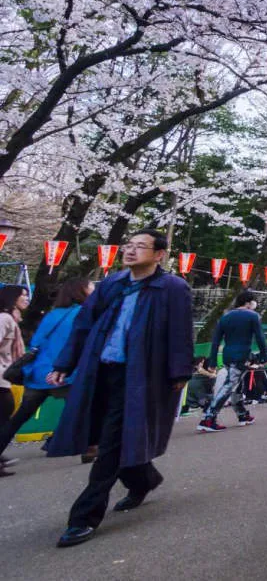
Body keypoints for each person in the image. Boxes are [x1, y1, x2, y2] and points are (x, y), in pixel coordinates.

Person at [44, 229, 193, 548]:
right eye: (129, 245)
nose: (131, 251)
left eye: (141, 247)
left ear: (159, 255)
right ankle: (145, 479)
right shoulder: (112, 284)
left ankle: (83, 518)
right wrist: (63, 365)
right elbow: (84, 325)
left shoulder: (172, 288)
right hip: (99, 372)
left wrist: (179, 372)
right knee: (108, 432)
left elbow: (181, 332)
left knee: (110, 443)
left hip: (142, 375)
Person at [0, 279, 92, 473]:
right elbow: (80, 343)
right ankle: (88, 448)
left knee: (19, 417)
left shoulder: (52, 315)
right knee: (83, 409)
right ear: (80, 292)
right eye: (90, 288)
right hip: (65, 373)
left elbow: (37, 341)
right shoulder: (82, 314)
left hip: (38, 373)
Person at [197, 288, 267, 432]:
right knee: (230, 385)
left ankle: (242, 414)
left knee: (237, 384)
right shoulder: (252, 316)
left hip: (228, 355)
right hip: (242, 355)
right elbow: (260, 337)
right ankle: (208, 418)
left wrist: (212, 362)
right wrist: (264, 355)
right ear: (248, 302)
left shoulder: (225, 317)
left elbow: (216, 341)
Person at [0, 284, 29, 475]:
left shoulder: (11, 319)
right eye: (23, 296)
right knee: (5, 410)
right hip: (0, 375)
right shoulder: (4, 319)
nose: (27, 299)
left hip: (4, 375)